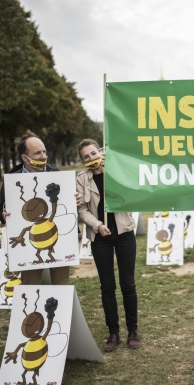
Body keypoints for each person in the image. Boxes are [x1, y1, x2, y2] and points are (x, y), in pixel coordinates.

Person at [76, 139, 141, 350]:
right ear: (82, 160)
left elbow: (134, 191)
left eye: (93, 153)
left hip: (124, 233)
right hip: (100, 237)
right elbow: (82, 209)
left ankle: (133, 329)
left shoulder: (117, 170)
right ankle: (113, 332)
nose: (91, 159)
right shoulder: (81, 179)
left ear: (100, 152)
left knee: (128, 284)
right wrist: (97, 225)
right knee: (107, 287)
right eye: (86, 157)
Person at [0, 130, 77, 285]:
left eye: (44, 151)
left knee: (61, 285)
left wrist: (75, 200)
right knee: (29, 286)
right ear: (25, 158)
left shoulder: (58, 176)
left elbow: (68, 206)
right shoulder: (12, 182)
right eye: (37, 153)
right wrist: (4, 215)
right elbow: (0, 209)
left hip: (60, 244)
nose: (43, 156)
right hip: (28, 248)